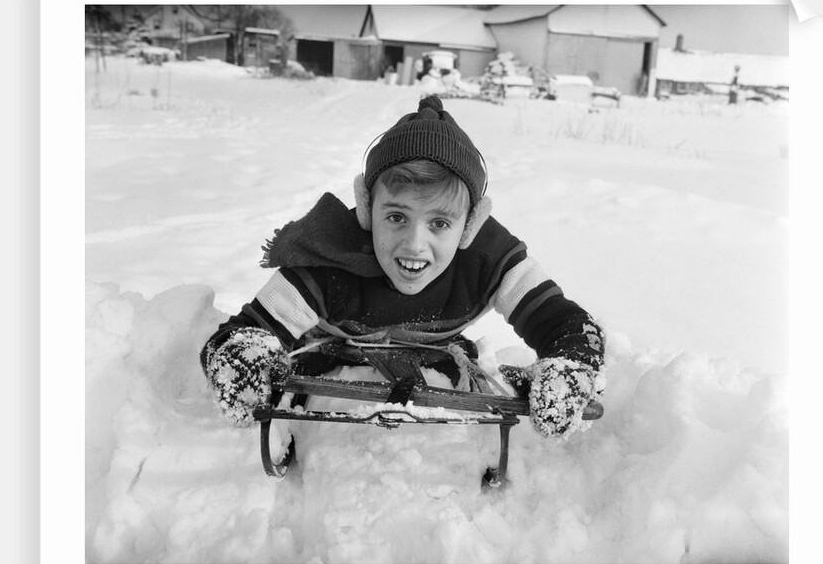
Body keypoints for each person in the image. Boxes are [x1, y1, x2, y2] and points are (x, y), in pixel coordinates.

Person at [200, 95, 605, 439]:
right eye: (396, 217)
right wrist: (243, 358)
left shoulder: (489, 258)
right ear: (366, 210)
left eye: (440, 224)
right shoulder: (329, 259)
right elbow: (241, 335)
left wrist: (570, 367)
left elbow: (566, 325)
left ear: (470, 226)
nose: (414, 244)